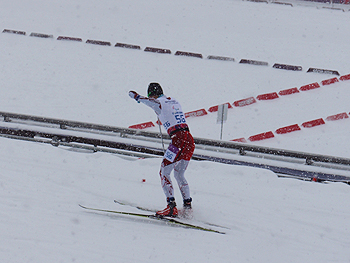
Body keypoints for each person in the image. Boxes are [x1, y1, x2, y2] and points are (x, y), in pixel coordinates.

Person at [128, 83, 195, 217]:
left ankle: (171, 207)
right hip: (189, 139)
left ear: (152, 94)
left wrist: (135, 96)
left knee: (164, 172)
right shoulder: (174, 101)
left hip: (177, 139)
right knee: (179, 174)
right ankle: (188, 206)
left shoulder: (158, 102)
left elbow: (150, 102)